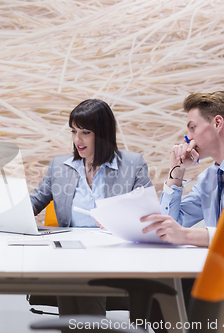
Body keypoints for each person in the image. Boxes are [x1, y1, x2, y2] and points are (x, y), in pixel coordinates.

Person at [140, 91, 224, 320]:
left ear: (217, 123)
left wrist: (186, 236)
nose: (187, 138)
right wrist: (176, 172)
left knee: (171, 294)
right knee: (160, 294)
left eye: (192, 127)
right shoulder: (209, 177)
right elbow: (173, 222)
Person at [30, 99, 152, 316]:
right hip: (71, 253)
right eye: (74, 131)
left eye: (85, 132)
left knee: (80, 281)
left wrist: (117, 220)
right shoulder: (60, 166)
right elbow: (35, 202)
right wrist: (6, 212)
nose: (77, 139)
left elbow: (149, 214)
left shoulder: (132, 165)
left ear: (102, 133)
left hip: (113, 252)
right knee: (73, 274)